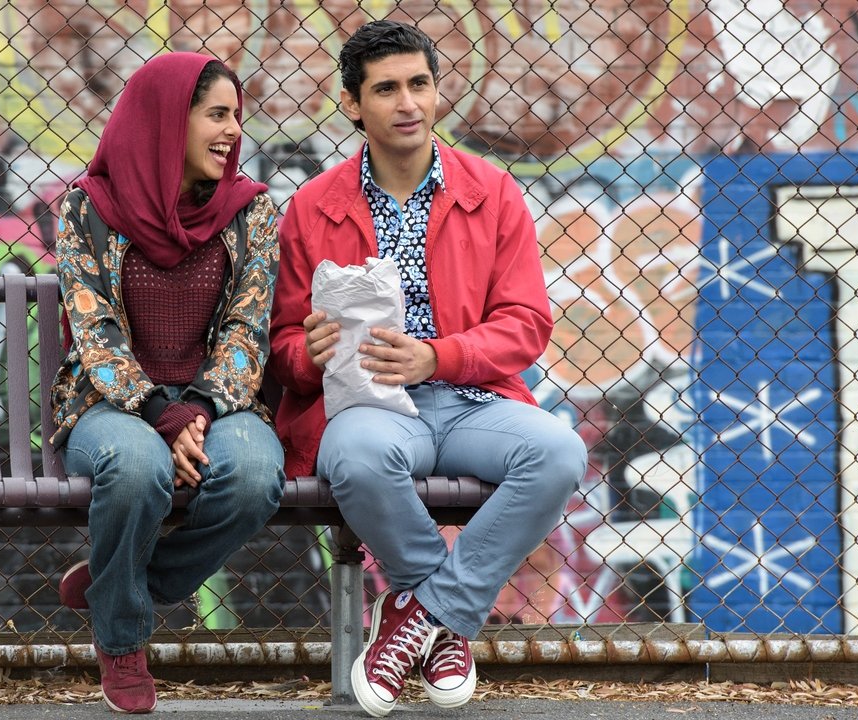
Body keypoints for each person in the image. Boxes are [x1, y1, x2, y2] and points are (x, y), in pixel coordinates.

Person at [269, 20, 587, 718]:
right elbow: (284, 343)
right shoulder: (313, 207)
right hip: (370, 406)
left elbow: (527, 323)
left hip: (474, 399)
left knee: (560, 453)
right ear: (354, 104)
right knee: (355, 460)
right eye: (386, 89)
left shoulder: (492, 191)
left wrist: (438, 356)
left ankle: (416, 615)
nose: (408, 102)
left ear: (439, 91)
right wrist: (307, 353)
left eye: (419, 84)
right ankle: (444, 620)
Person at [50, 52, 284, 715]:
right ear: (165, 120)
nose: (233, 131)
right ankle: (122, 638)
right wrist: (160, 411)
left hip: (218, 402)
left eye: (236, 116)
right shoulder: (86, 209)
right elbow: (94, 330)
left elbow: (248, 326)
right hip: (109, 404)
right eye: (216, 115)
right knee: (136, 467)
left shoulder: (251, 211)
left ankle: (121, 584)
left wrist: (199, 409)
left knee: (254, 476)